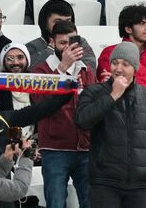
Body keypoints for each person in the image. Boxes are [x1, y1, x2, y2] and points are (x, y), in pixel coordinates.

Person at [76, 42, 146, 208]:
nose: (118, 68)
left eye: (125, 64)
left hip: (140, 185)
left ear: (135, 68)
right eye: (115, 63)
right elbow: (82, 121)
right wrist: (113, 96)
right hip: (104, 182)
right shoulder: (93, 92)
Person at [29, 20, 96, 208]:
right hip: (54, 148)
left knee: (91, 202)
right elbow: (39, 104)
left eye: (72, 41)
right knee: (56, 203)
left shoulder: (87, 71)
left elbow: (94, 109)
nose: (68, 47)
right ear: (53, 43)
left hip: (85, 148)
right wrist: (62, 69)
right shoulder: (40, 70)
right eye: (63, 43)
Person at [26, 0, 96, 69]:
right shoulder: (32, 47)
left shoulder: (80, 42)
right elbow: (29, 72)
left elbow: (91, 68)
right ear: (45, 24)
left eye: (68, 21)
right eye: (57, 21)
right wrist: (50, 51)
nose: (63, 25)